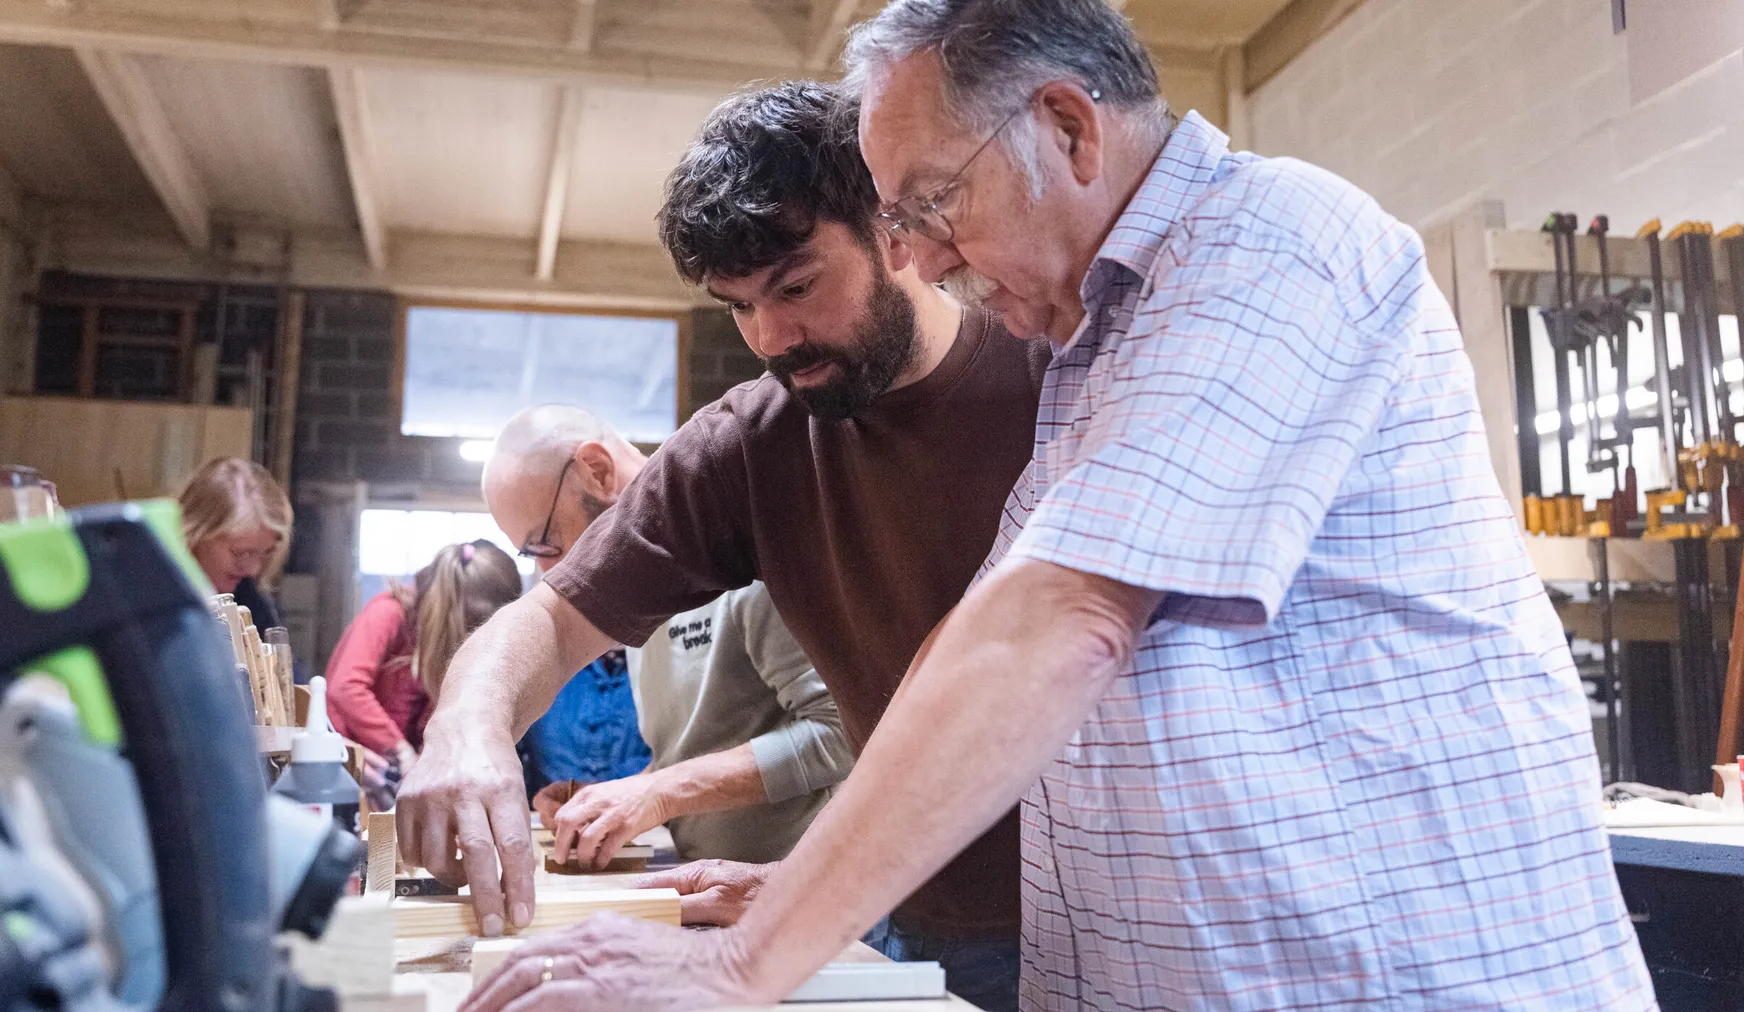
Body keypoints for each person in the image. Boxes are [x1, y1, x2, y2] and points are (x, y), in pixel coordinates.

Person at [453, 2, 1656, 1011]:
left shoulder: (1271, 249)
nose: (920, 256)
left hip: (1385, 977)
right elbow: (973, 651)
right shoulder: (1095, 353)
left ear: (1069, 128)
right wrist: (827, 885)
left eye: (929, 205)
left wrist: (733, 969)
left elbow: (1057, 623)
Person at [397, 81, 1050, 1010]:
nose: (773, 337)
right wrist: (466, 728)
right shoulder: (752, 444)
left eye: (795, 286)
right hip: (898, 906)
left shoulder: (1052, 377)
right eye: (737, 306)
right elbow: (546, 621)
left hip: (1099, 913)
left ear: (891, 229)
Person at [483, 406, 855, 867]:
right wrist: (614, 799)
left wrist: (657, 793)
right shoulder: (627, 593)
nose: (548, 571)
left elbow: (843, 734)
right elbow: (705, 751)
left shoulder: (743, 550)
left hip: (808, 893)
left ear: (597, 471)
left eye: (547, 544)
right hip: (717, 890)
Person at [324, 540, 522, 771]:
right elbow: (345, 687)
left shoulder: (445, 642)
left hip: (390, 772)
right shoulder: (389, 612)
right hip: (345, 763)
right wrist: (401, 751)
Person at [177, 457, 292, 628]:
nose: (253, 570)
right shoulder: (153, 599)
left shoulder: (248, 596)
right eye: (241, 552)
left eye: (266, 553)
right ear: (196, 534)